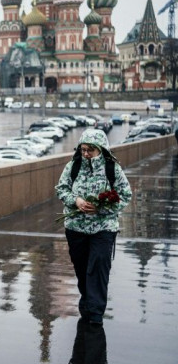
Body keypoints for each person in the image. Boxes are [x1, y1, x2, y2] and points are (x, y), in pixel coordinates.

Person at [55, 129, 132, 325]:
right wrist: (76, 201)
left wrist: (102, 209)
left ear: (101, 149)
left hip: (103, 228)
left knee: (98, 267)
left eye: (90, 150)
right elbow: (61, 189)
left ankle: (96, 312)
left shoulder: (112, 168)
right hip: (75, 228)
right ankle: (87, 300)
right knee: (81, 268)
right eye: (83, 149)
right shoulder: (73, 166)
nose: (86, 153)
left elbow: (125, 194)